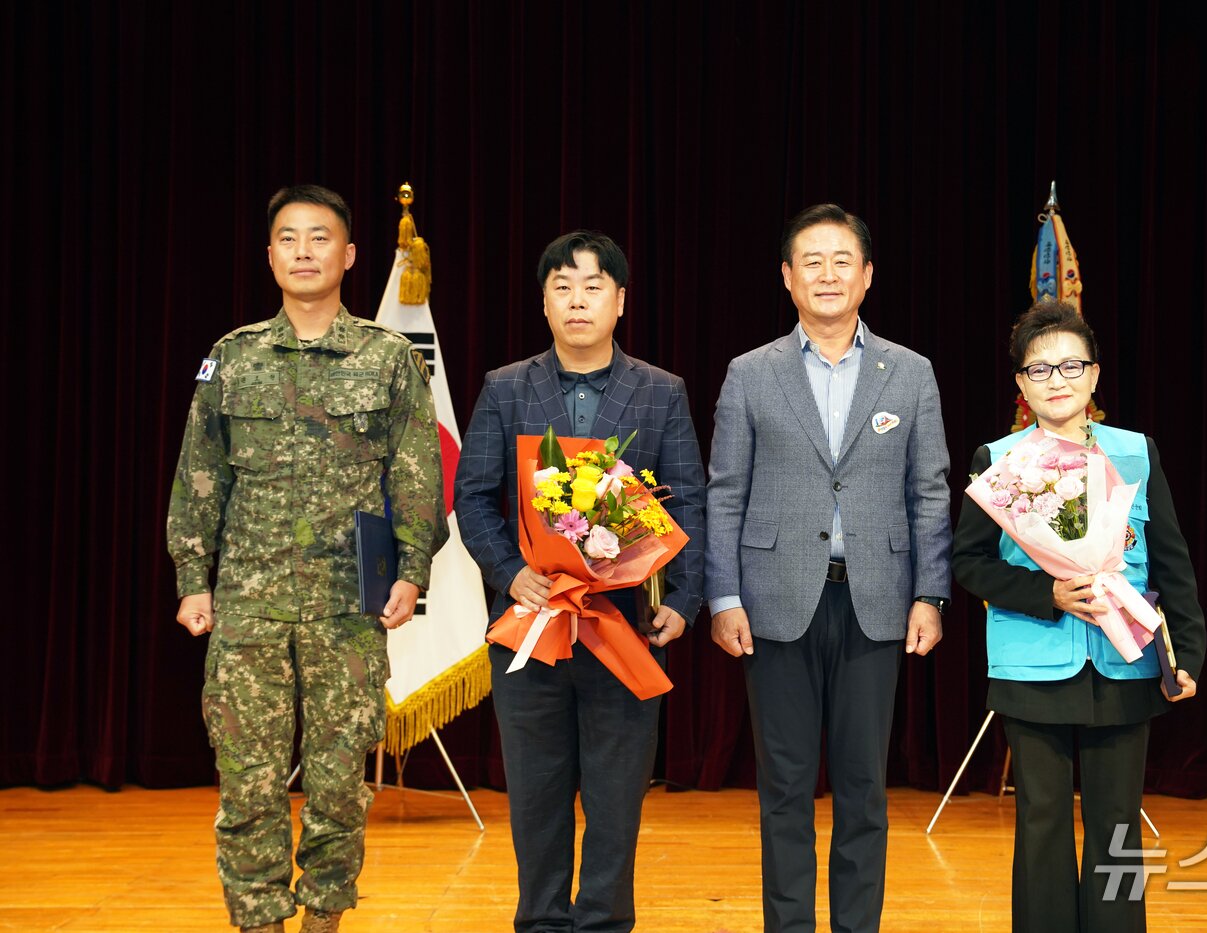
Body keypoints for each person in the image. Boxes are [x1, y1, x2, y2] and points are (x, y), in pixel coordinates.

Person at [166, 184, 447, 933]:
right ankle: (257, 920)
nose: (303, 252)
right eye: (288, 239)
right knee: (248, 782)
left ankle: (324, 917)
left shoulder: (387, 358)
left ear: (349, 255)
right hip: (249, 607)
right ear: (268, 255)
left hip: (346, 606)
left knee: (336, 784)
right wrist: (193, 578)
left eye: (319, 238)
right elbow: (201, 475)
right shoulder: (233, 357)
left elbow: (416, 472)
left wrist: (413, 569)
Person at [705, 203, 953, 932]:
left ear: (867, 275)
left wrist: (930, 593)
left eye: (842, 259)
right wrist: (723, 596)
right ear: (786, 277)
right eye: (810, 260)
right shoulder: (751, 373)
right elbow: (726, 490)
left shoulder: (909, 372)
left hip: (877, 602)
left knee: (863, 789)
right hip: (775, 601)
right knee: (783, 789)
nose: (827, 273)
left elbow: (929, 488)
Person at [454, 230, 706, 933]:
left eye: (593, 285)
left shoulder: (661, 392)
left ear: (620, 300)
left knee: (615, 798)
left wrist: (684, 602)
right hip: (531, 632)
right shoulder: (506, 388)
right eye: (562, 285)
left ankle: (602, 923)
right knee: (535, 797)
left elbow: (687, 498)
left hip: (624, 628)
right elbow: (472, 496)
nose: (577, 299)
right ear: (543, 301)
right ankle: (538, 921)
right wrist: (512, 575)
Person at [951, 301, 1206, 932]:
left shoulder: (1137, 453)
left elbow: (1172, 561)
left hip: (1126, 659)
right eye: (1039, 370)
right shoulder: (998, 459)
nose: (1056, 380)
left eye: (1071, 366)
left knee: (1116, 822)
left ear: (1094, 377)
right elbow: (970, 562)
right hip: (1032, 661)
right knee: (1040, 818)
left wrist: (1187, 655)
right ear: (1020, 385)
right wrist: (1050, 593)